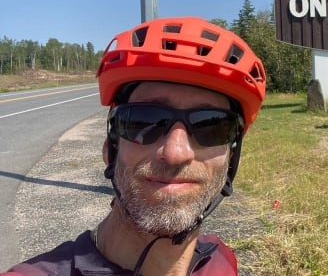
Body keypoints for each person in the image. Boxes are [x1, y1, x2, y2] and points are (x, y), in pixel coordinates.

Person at [4, 17, 267, 275]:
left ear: (232, 158)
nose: (175, 153)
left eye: (211, 127)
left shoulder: (221, 261)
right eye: (145, 120)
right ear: (110, 148)